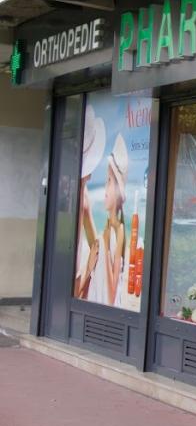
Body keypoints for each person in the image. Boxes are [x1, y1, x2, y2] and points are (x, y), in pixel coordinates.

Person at [88, 134, 129, 306]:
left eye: (109, 181)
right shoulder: (106, 228)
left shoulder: (118, 230)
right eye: (106, 181)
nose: (104, 189)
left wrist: (104, 248)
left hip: (104, 302)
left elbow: (113, 293)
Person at [74, 105, 106, 299]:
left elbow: (94, 241)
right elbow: (94, 241)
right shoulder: (82, 193)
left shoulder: (82, 193)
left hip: (76, 267)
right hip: (76, 268)